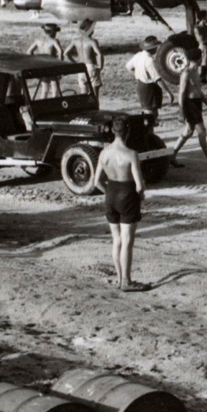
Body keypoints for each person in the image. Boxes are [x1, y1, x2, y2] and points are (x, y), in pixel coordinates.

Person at [90, 114, 146, 292]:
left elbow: (96, 181)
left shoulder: (104, 153)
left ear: (113, 132)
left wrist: (109, 192)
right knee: (127, 240)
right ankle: (127, 281)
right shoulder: (131, 154)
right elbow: (139, 185)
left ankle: (120, 278)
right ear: (127, 132)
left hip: (111, 194)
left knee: (116, 240)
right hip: (127, 194)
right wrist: (141, 195)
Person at [170, 61, 207, 170]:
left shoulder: (195, 72)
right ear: (197, 59)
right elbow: (181, 93)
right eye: (201, 57)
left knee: (188, 131)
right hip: (189, 105)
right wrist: (181, 111)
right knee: (202, 131)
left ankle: (172, 156)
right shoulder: (186, 73)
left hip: (196, 103)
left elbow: (198, 91)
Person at [125, 36, 164, 126]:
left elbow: (128, 66)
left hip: (142, 85)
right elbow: (157, 78)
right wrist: (168, 92)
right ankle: (148, 134)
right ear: (153, 49)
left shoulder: (138, 55)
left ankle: (150, 133)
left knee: (153, 113)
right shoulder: (149, 60)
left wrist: (138, 75)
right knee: (149, 115)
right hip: (149, 87)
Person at [65, 20, 104, 96]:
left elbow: (66, 53)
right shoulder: (92, 41)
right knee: (95, 94)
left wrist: (74, 63)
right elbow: (99, 54)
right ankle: (95, 107)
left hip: (81, 67)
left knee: (83, 93)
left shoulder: (75, 40)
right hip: (90, 66)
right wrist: (100, 66)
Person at [25, 23, 63, 98]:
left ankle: (43, 106)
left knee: (44, 90)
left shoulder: (38, 40)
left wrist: (36, 61)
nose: (56, 34)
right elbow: (60, 52)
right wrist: (60, 65)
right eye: (55, 31)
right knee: (55, 89)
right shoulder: (54, 41)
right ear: (52, 32)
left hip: (42, 66)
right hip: (52, 66)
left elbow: (29, 52)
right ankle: (54, 106)